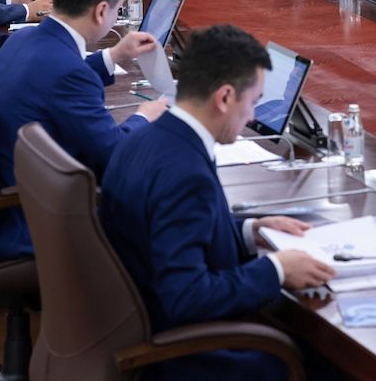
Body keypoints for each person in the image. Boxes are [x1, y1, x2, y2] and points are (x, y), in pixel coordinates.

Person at [101, 25, 335, 380]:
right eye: (252, 102)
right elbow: (186, 297)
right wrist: (276, 269)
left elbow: (168, 231)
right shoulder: (185, 173)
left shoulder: (143, 139)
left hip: (137, 320)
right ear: (224, 97)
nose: (252, 117)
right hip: (185, 355)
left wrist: (249, 230)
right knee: (325, 363)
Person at [0, 0, 168, 259]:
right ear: (101, 11)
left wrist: (114, 55)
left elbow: (53, 72)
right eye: (118, 9)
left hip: (19, 195)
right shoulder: (70, 75)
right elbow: (116, 156)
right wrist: (144, 117)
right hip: (43, 220)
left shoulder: (23, 38)